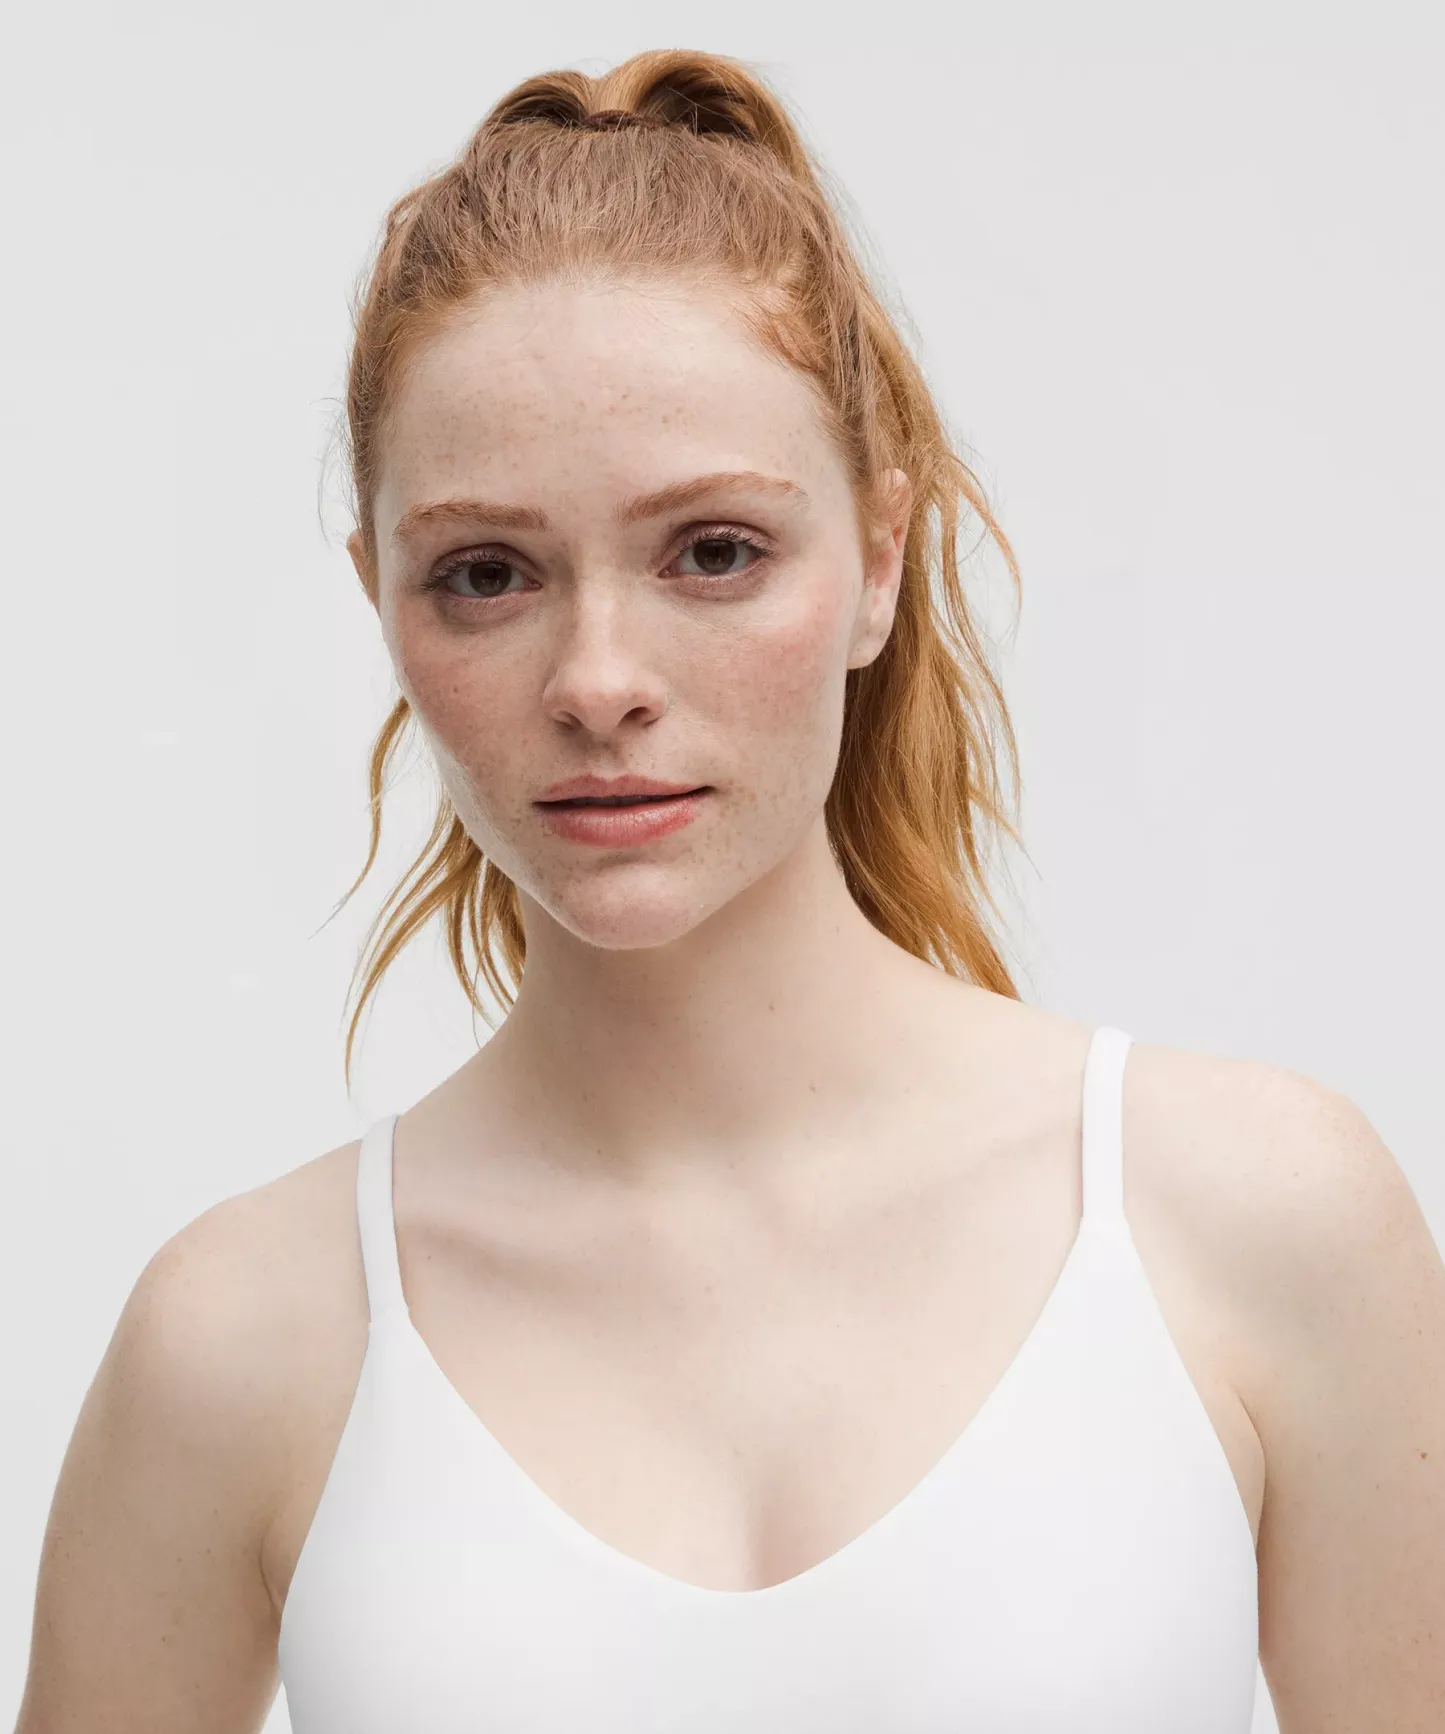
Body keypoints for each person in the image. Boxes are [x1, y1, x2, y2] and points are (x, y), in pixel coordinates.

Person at [15, 47, 1445, 1734]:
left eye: (714, 550)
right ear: (378, 597)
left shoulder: (1260, 1219)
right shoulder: (239, 1340)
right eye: (485, 573)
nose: (598, 680)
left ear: (881, 558)